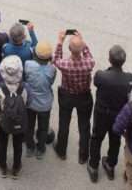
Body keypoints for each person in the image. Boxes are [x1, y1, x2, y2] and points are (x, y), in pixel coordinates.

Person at [87, 44, 132, 182]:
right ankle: (110, 165)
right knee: (115, 140)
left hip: (102, 113)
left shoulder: (101, 76)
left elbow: (95, 82)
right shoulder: (129, 78)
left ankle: (93, 166)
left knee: (96, 138)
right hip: (118, 115)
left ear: (109, 59)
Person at [53, 30, 95, 164]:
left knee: (64, 123)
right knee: (84, 126)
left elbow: (55, 59)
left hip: (67, 95)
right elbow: (88, 54)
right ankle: (83, 156)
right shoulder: (89, 64)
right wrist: (82, 41)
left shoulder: (64, 64)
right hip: (84, 96)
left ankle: (61, 151)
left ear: (69, 50)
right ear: (81, 49)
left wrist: (60, 41)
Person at [0, 54, 28, 179]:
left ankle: (3, 167)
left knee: (2, 144)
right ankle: (16, 168)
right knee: (18, 145)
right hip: (19, 119)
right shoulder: (25, 87)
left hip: (4, 120)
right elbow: (28, 102)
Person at [22, 39, 57, 159]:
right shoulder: (52, 69)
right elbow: (51, 82)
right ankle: (40, 149)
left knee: (29, 126)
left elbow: (25, 78)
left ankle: (30, 147)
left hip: (30, 102)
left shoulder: (28, 64)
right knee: (43, 128)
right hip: (44, 105)